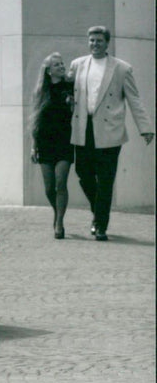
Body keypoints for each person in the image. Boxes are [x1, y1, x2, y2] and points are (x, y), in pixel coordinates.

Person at [69, 26, 154, 240]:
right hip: (83, 128)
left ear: (107, 43)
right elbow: (66, 91)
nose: (94, 44)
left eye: (99, 40)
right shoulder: (77, 65)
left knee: (106, 179)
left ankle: (100, 225)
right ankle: (99, 211)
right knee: (83, 173)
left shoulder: (121, 68)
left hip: (110, 131)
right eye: (91, 40)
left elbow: (134, 100)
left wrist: (146, 128)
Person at [30, 53, 74, 238]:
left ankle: (60, 223)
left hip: (64, 141)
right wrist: (33, 146)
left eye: (62, 63)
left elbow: (77, 114)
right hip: (45, 143)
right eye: (57, 64)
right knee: (49, 188)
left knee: (60, 183)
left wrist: (72, 105)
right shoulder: (40, 92)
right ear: (49, 71)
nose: (61, 66)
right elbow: (35, 122)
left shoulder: (70, 88)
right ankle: (57, 213)